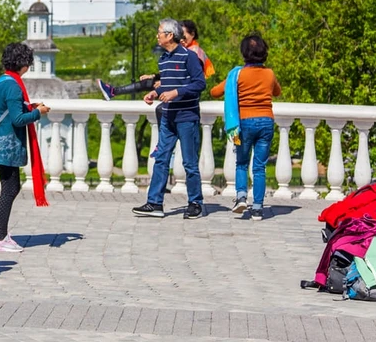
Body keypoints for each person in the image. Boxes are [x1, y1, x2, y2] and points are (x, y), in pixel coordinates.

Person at [132, 19, 207, 220]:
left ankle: (195, 203)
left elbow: (200, 83)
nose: (157, 36)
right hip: (168, 117)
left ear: (170, 35)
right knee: (161, 158)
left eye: (159, 32)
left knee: (190, 163)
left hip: (187, 117)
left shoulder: (189, 57)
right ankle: (155, 202)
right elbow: (166, 84)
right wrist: (155, 94)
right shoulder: (163, 59)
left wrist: (176, 92)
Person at [0, 43, 50, 253]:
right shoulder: (13, 85)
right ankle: (1, 238)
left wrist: (31, 107)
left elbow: (12, 109)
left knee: (9, 188)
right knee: (10, 189)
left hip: (0, 144)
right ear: (23, 63)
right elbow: (18, 119)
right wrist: (39, 113)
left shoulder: (3, 80)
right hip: (8, 145)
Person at [210, 34, 281, 220]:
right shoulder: (270, 74)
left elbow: (215, 92)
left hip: (244, 123)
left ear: (244, 53)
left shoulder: (237, 74)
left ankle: (241, 197)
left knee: (241, 163)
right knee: (259, 167)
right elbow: (277, 91)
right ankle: (258, 208)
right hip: (266, 121)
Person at [97, 20, 215, 101]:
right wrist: (154, 76)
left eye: (183, 37)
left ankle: (114, 91)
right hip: (179, 94)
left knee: (153, 89)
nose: (181, 39)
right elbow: (175, 71)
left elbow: (191, 78)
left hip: (189, 96)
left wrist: (164, 83)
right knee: (150, 81)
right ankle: (114, 91)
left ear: (192, 34)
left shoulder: (193, 52)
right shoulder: (178, 52)